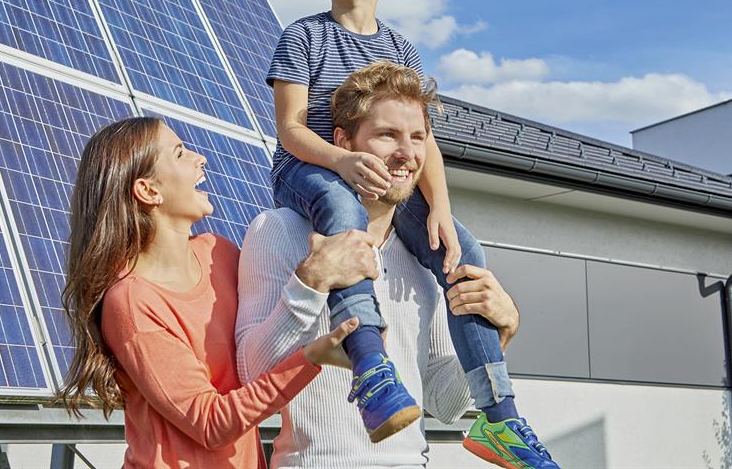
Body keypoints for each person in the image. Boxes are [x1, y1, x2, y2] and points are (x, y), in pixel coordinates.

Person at [264, 0, 558, 465]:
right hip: (310, 173)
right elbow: (290, 129)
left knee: (461, 250)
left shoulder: (401, 50)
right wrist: (339, 162)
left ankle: (499, 416)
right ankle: (371, 368)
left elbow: (425, 144)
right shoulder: (301, 37)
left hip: (375, 184)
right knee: (341, 212)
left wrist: (441, 210)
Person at [238, 63, 560, 468]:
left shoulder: (429, 254)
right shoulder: (278, 229)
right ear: (343, 142)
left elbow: (444, 403)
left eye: (418, 138)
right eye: (387, 135)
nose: (407, 154)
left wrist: (504, 330)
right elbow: (249, 376)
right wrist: (311, 280)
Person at [57, 117, 360, 469]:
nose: (200, 158)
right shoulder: (131, 302)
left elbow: (263, 351)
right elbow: (211, 423)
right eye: (180, 153)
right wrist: (311, 358)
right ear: (148, 191)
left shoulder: (221, 254)